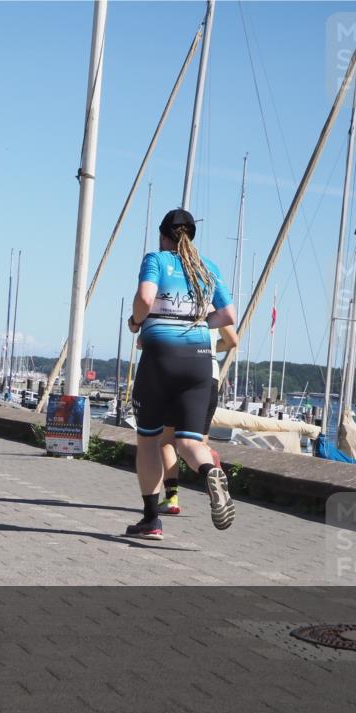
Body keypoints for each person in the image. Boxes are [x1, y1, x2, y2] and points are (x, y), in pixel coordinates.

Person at [125, 209, 237, 540]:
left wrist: (135, 322)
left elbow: (146, 298)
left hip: (160, 357)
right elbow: (229, 315)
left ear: (163, 236)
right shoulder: (208, 268)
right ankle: (210, 471)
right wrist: (200, 323)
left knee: (148, 438)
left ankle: (150, 519)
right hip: (200, 359)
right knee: (188, 439)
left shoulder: (156, 260)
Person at [158, 323, 238, 515]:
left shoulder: (176, 299)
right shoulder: (213, 305)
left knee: (167, 441)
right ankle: (213, 466)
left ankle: (172, 497)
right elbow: (232, 341)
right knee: (199, 443)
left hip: (180, 370)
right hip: (209, 376)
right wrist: (210, 347)